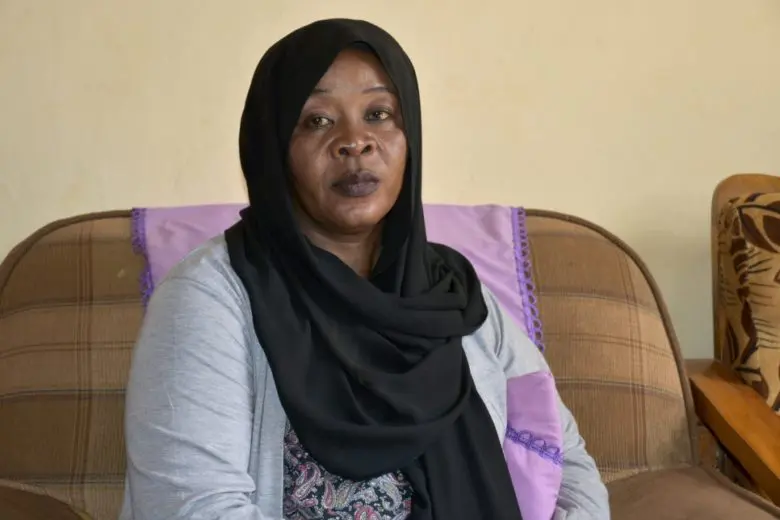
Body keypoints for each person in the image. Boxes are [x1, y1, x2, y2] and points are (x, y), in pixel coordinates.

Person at [119, 18, 609, 520]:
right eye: (315, 120)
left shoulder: (453, 297)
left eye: (379, 114)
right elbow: (193, 508)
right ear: (272, 151)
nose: (355, 141)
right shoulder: (207, 299)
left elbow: (569, 462)